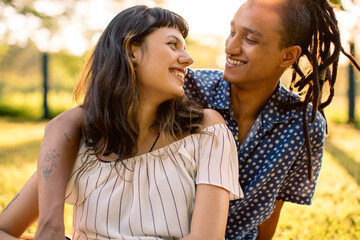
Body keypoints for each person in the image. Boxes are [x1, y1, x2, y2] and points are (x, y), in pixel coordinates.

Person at [2, 0, 360, 239]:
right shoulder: (186, 87)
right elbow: (82, 117)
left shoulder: (303, 125)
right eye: (232, 31)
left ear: (288, 55)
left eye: (249, 39)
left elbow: (269, 216)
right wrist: (49, 225)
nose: (231, 47)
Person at [0, 5, 242, 240]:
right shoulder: (83, 140)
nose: (188, 59)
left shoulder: (208, 131)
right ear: (131, 50)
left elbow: (207, 237)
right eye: (172, 44)